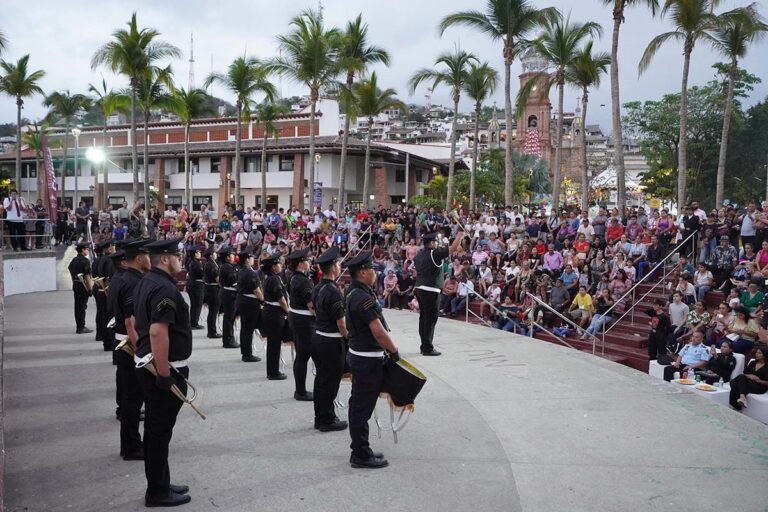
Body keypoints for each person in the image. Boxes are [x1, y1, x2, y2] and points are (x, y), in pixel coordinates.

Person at [132, 237, 192, 507]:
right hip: (161, 370)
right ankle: (157, 491)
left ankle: (161, 483)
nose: (181, 260)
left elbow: (135, 321)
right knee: (158, 432)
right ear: (165, 259)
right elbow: (158, 331)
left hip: (150, 365)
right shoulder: (164, 288)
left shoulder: (147, 281)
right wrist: (165, 374)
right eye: (177, 256)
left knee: (158, 431)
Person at [344, 250, 399, 469]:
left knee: (358, 404)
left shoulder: (355, 292)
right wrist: (394, 350)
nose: (376, 273)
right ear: (363, 272)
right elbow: (377, 331)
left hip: (360, 357)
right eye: (373, 270)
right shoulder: (362, 297)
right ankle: (360, 454)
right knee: (361, 408)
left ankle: (359, 449)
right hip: (367, 360)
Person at [107, 239, 150, 461]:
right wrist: (141, 352)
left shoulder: (121, 278)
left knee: (128, 397)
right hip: (131, 343)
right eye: (147, 255)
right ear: (139, 258)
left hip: (123, 341)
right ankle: (131, 446)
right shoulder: (134, 282)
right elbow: (131, 321)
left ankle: (130, 444)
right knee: (133, 399)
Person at [310, 246, 349, 431]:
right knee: (330, 381)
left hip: (318, 337)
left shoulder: (319, 287)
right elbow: (341, 324)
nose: (340, 267)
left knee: (322, 380)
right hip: (331, 342)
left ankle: (321, 416)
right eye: (338, 264)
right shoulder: (333, 291)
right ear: (333, 267)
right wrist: (349, 338)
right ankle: (326, 419)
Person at [413, 229, 464, 356]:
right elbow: (452, 249)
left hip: (419, 288)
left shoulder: (418, 255)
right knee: (430, 319)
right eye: (435, 241)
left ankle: (424, 345)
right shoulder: (433, 253)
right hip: (431, 290)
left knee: (423, 318)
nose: (436, 243)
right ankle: (427, 348)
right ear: (430, 243)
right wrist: (460, 235)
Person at [286, 247, 315, 400]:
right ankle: (301, 391)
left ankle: (300, 389)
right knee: (303, 356)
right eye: (307, 260)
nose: (309, 262)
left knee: (300, 356)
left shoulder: (293, 277)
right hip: (304, 322)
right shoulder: (303, 282)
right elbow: (312, 306)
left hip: (295, 318)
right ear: (300, 264)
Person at [261, 253, 291, 380]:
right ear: (273, 267)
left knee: (274, 343)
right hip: (274, 313)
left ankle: (272, 370)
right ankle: (273, 372)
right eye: (278, 264)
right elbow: (282, 300)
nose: (280, 265)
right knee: (274, 344)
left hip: (271, 312)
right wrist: (288, 312)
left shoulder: (272, 277)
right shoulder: (273, 279)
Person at [235, 248, 263, 363]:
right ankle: (247, 354)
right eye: (251, 258)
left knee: (245, 328)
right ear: (247, 260)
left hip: (243, 300)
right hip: (250, 302)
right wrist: (262, 300)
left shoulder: (241, 270)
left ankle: (245, 352)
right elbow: (256, 290)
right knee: (248, 329)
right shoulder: (249, 272)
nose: (253, 259)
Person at [729, 345, 768, 411]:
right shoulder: (753, 363)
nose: (756, 354)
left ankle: (734, 405)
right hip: (748, 382)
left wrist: (758, 380)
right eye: (756, 352)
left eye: (759, 353)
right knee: (741, 379)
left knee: (735, 384)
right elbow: (745, 374)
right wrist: (750, 376)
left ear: (765, 355)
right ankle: (742, 398)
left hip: (759, 386)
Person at [91, 239, 115, 344]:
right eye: (112, 246)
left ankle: (100, 335)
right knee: (107, 315)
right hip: (104, 288)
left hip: (98, 287)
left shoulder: (99, 260)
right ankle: (108, 339)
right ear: (108, 248)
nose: (113, 247)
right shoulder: (108, 260)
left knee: (101, 313)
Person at [68, 241, 93, 334]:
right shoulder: (85, 261)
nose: (88, 251)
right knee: (82, 306)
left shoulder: (74, 260)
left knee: (78, 306)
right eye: (87, 249)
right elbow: (87, 276)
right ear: (82, 250)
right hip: (83, 285)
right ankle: (81, 327)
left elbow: (70, 270)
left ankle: (79, 325)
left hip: (76, 284)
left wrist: (73, 282)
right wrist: (89, 289)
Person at [217, 247, 239, 349]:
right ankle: (228, 341)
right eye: (231, 255)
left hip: (227, 293)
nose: (233, 256)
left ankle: (228, 339)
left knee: (229, 318)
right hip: (229, 294)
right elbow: (235, 281)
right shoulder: (227, 268)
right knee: (229, 318)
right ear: (227, 257)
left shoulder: (226, 266)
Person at [202, 247, 221, 339]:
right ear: (211, 255)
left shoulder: (210, 264)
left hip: (210, 288)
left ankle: (211, 331)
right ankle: (212, 332)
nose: (216, 254)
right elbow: (218, 279)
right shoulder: (212, 265)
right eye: (214, 253)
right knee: (213, 311)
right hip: (213, 289)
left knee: (212, 311)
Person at [185, 247, 205, 330]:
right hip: (196, 284)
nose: (199, 253)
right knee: (197, 304)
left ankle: (192, 322)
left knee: (194, 304)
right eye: (198, 252)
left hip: (191, 283)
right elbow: (201, 273)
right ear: (195, 254)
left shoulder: (191, 262)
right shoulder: (196, 263)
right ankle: (194, 323)